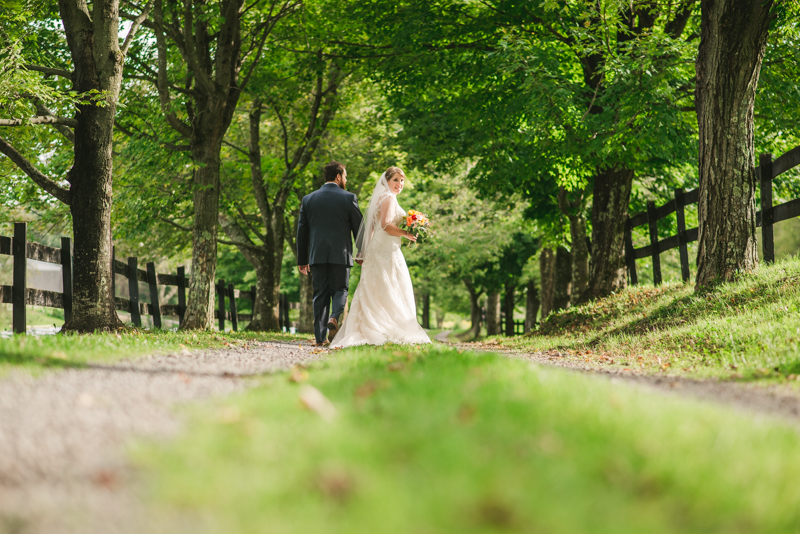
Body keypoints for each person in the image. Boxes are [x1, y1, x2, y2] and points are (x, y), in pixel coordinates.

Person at [331, 166, 431, 348]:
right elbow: (385, 225)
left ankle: (373, 323)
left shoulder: (380, 199)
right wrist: (406, 233)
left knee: (379, 286)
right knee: (390, 284)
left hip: (378, 247)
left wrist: (363, 250)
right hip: (386, 248)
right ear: (387, 181)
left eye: (402, 181)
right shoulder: (389, 199)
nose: (399, 184)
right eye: (395, 180)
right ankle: (386, 327)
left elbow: (370, 227)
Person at [296, 161, 363, 346]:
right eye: (346, 176)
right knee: (341, 290)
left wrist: (302, 260)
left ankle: (320, 338)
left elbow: (301, 232)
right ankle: (334, 317)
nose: (346, 180)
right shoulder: (349, 198)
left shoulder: (308, 199)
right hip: (341, 256)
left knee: (320, 295)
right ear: (338, 176)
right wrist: (362, 253)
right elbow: (360, 230)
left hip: (316, 256)